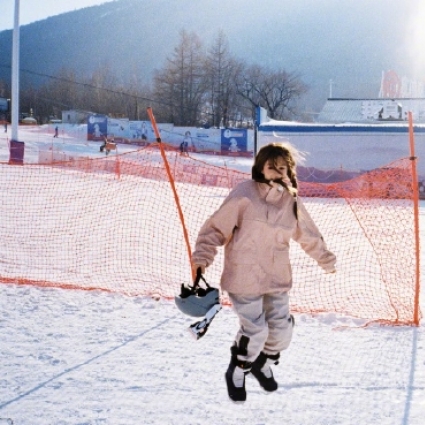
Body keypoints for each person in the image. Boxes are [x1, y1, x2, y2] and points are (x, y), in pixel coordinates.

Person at [191, 142, 336, 403]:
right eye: (271, 167)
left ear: (288, 171)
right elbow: (215, 228)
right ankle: (239, 367)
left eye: (282, 167)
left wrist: (324, 258)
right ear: (260, 167)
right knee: (255, 330)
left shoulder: (290, 200)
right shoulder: (244, 194)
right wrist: (202, 258)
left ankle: (264, 362)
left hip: (276, 277)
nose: (277, 172)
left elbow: (308, 234)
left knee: (281, 331)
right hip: (243, 277)